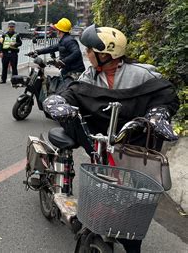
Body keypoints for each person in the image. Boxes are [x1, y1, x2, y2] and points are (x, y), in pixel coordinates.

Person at [43, 24, 179, 253]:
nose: (87, 55)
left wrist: (158, 114)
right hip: (100, 142)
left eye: (90, 51)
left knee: (133, 198)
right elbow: (73, 93)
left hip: (132, 148)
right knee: (103, 185)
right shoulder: (89, 76)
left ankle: (131, 240)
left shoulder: (141, 75)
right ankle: (97, 221)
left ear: (105, 54)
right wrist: (58, 102)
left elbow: (164, 96)